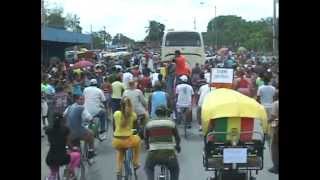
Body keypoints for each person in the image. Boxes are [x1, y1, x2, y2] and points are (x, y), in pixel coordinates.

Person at [144, 106, 181, 180]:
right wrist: (177, 146)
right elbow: (177, 138)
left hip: (153, 154)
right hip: (169, 154)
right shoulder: (171, 122)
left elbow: (145, 138)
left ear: (156, 113)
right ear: (165, 113)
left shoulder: (149, 123)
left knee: (148, 167)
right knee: (175, 169)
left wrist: (147, 146)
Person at [112, 97, 141, 177]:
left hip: (117, 140)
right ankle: (135, 162)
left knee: (120, 153)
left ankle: (118, 170)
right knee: (138, 141)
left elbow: (114, 127)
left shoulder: (116, 114)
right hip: (128, 140)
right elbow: (135, 127)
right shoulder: (133, 115)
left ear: (120, 105)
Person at [269, 92, 279, 174]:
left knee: (275, 147)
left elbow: (273, 117)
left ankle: (276, 167)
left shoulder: (276, 104)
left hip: (277, 128)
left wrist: (267, 121)